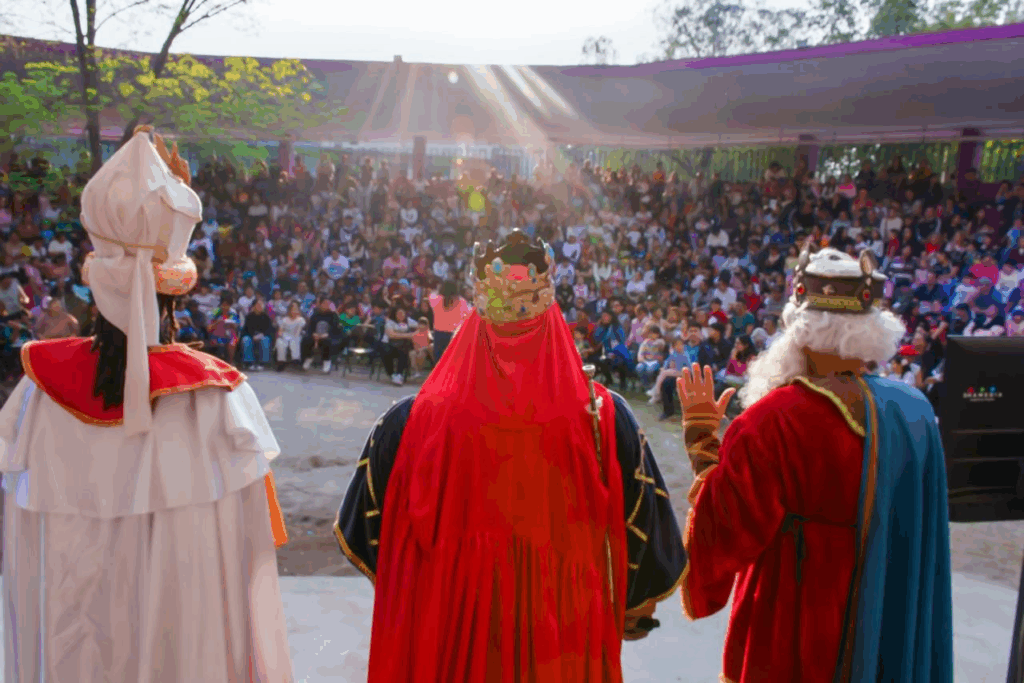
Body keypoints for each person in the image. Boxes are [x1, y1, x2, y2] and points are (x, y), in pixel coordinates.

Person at [0, 129, 293, 682]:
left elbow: (24, 546)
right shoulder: (216, 403)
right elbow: (244, 559)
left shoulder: (37, 395)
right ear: (173, 291)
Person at [334, 231, 686, 682]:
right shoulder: (604, 418)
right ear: (552, 314)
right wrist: (629, 608)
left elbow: (367, 534)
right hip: (562, 640)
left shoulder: (407, 422)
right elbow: (644, 529)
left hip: (450, 637)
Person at [678, 244, 952, 682]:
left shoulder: (774, 420)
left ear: (799, 331)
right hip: (889, 624)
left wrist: (702, 441)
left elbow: (726, 531)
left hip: (797, 627)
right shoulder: (914, 411)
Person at [427, 279, 471, 360]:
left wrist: (438, 290)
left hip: (439, 335)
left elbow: (431, 295)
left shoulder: (436, 299)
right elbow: (468, 316)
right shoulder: (461, 301)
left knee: (440, 361)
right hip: (455, 335)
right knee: (453, 361)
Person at [302, 296, 342, 373]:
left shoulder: (333, 315)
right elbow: (310, 327)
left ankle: (326, 361)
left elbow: (335, 329)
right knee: (307, 339)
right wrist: (314, 334)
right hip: (316, 335)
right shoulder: (315, 314)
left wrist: (326, 335)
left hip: (327, 336)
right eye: (324, 303)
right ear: (320, 304)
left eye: (328, 303)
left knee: (327, 341)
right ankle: (309, 358)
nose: (326, 305)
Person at [241, 297, 274, 370]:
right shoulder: (249, 316)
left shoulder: (266, 317)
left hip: (263, 336)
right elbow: (246, 330)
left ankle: (263, 363)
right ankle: (249, 363)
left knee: (266, 340)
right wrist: (253, 336)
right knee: (246, 339)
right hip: (251, 336)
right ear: (253, 306)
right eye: (258, 304)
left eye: (261, 304)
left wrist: (261, 335)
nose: (260, 306)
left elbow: (269, 330)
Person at [275, 301, 305, 370]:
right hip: (285, 335)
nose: (294, 311)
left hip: (296, 335)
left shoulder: (301, 319)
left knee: (295, 341)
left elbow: (299, 330)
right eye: (292, 309)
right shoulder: (284, 319)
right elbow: (280, 329)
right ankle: (281, 362)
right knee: (280, 342)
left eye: (296, 309)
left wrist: (293, 337)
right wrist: (280, 335)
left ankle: (296, 360)